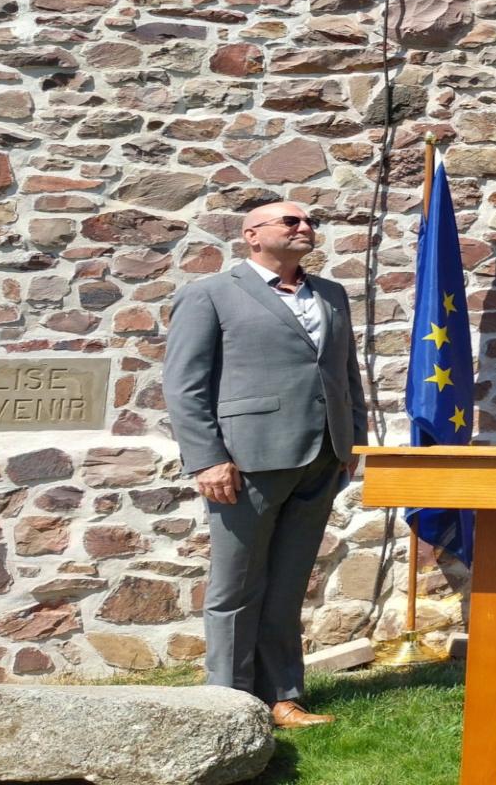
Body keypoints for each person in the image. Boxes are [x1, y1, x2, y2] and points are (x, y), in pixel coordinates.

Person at [162, 200, 367, 729]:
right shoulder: (210, 293)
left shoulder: (331, 294)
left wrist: (352, 443)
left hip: (322, 457)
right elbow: (184, 385)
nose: (305, 227)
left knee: (288, 584)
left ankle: (282, 697)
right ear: (252, 235)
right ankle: (229, 706)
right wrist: (208, 458)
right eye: (291, 221)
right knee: (236, 586)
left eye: (310, 221)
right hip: (245, 461)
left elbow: (346, 373)